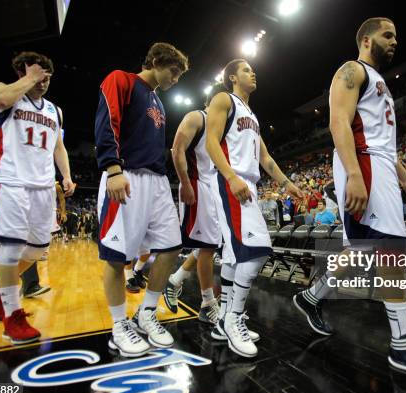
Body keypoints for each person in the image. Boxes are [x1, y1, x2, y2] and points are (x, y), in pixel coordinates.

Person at [292, 18, 406, 385]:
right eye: (388, 35)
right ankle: (402, 341)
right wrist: (356, 174)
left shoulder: (380, 82)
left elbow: (383, 137)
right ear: (367, 39)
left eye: (396, 36)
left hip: (380, 162)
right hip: (365, 163)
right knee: (391, 246)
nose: (394, 41)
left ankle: (312, 296)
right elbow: (339, 121)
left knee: (363, 248)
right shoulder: (351, 69)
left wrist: (404, 176)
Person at [205, 58, 303, 357]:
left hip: (246, 183)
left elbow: (266, 158)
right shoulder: (223, 99)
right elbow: (210, 142)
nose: (253, 72)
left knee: (236, 257)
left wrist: (287, 183)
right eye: (246, 69)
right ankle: (233, 318)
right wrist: (232, 177)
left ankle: (223, 320)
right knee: (258, 249)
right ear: (233, 77)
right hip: (230, 182)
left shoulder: (251, 114)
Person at [95, 42, 188, 357]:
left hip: (158, 180)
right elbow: (108, 122)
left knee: (172, 246)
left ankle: (146, 312)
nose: (175, 79)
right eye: (173, 72)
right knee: (116, 257)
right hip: (127, 175)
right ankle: (119, 324)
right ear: (157, 61)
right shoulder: (121, 79)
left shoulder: (158, 102)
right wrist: (113, 168)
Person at [0, 51, 75, 345]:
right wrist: (28, 78)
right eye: (40, 74)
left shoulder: (54, 110)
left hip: (43, 186)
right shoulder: (6, 92)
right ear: (25, 71)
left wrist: (66, 175)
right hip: (10, 181)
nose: (45, 80)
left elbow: (59, 146)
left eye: (48, 76)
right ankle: (13, 316)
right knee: (11, 250)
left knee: (37, 250)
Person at [162, 83, 229, 325]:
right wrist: (186, 184)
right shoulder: (196, 117)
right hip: (196, 186)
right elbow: (177, 149)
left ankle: (175, 280)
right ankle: (207, 304)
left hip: (213, 190)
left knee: (208, 245)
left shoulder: (221, 127)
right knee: (207, 247)